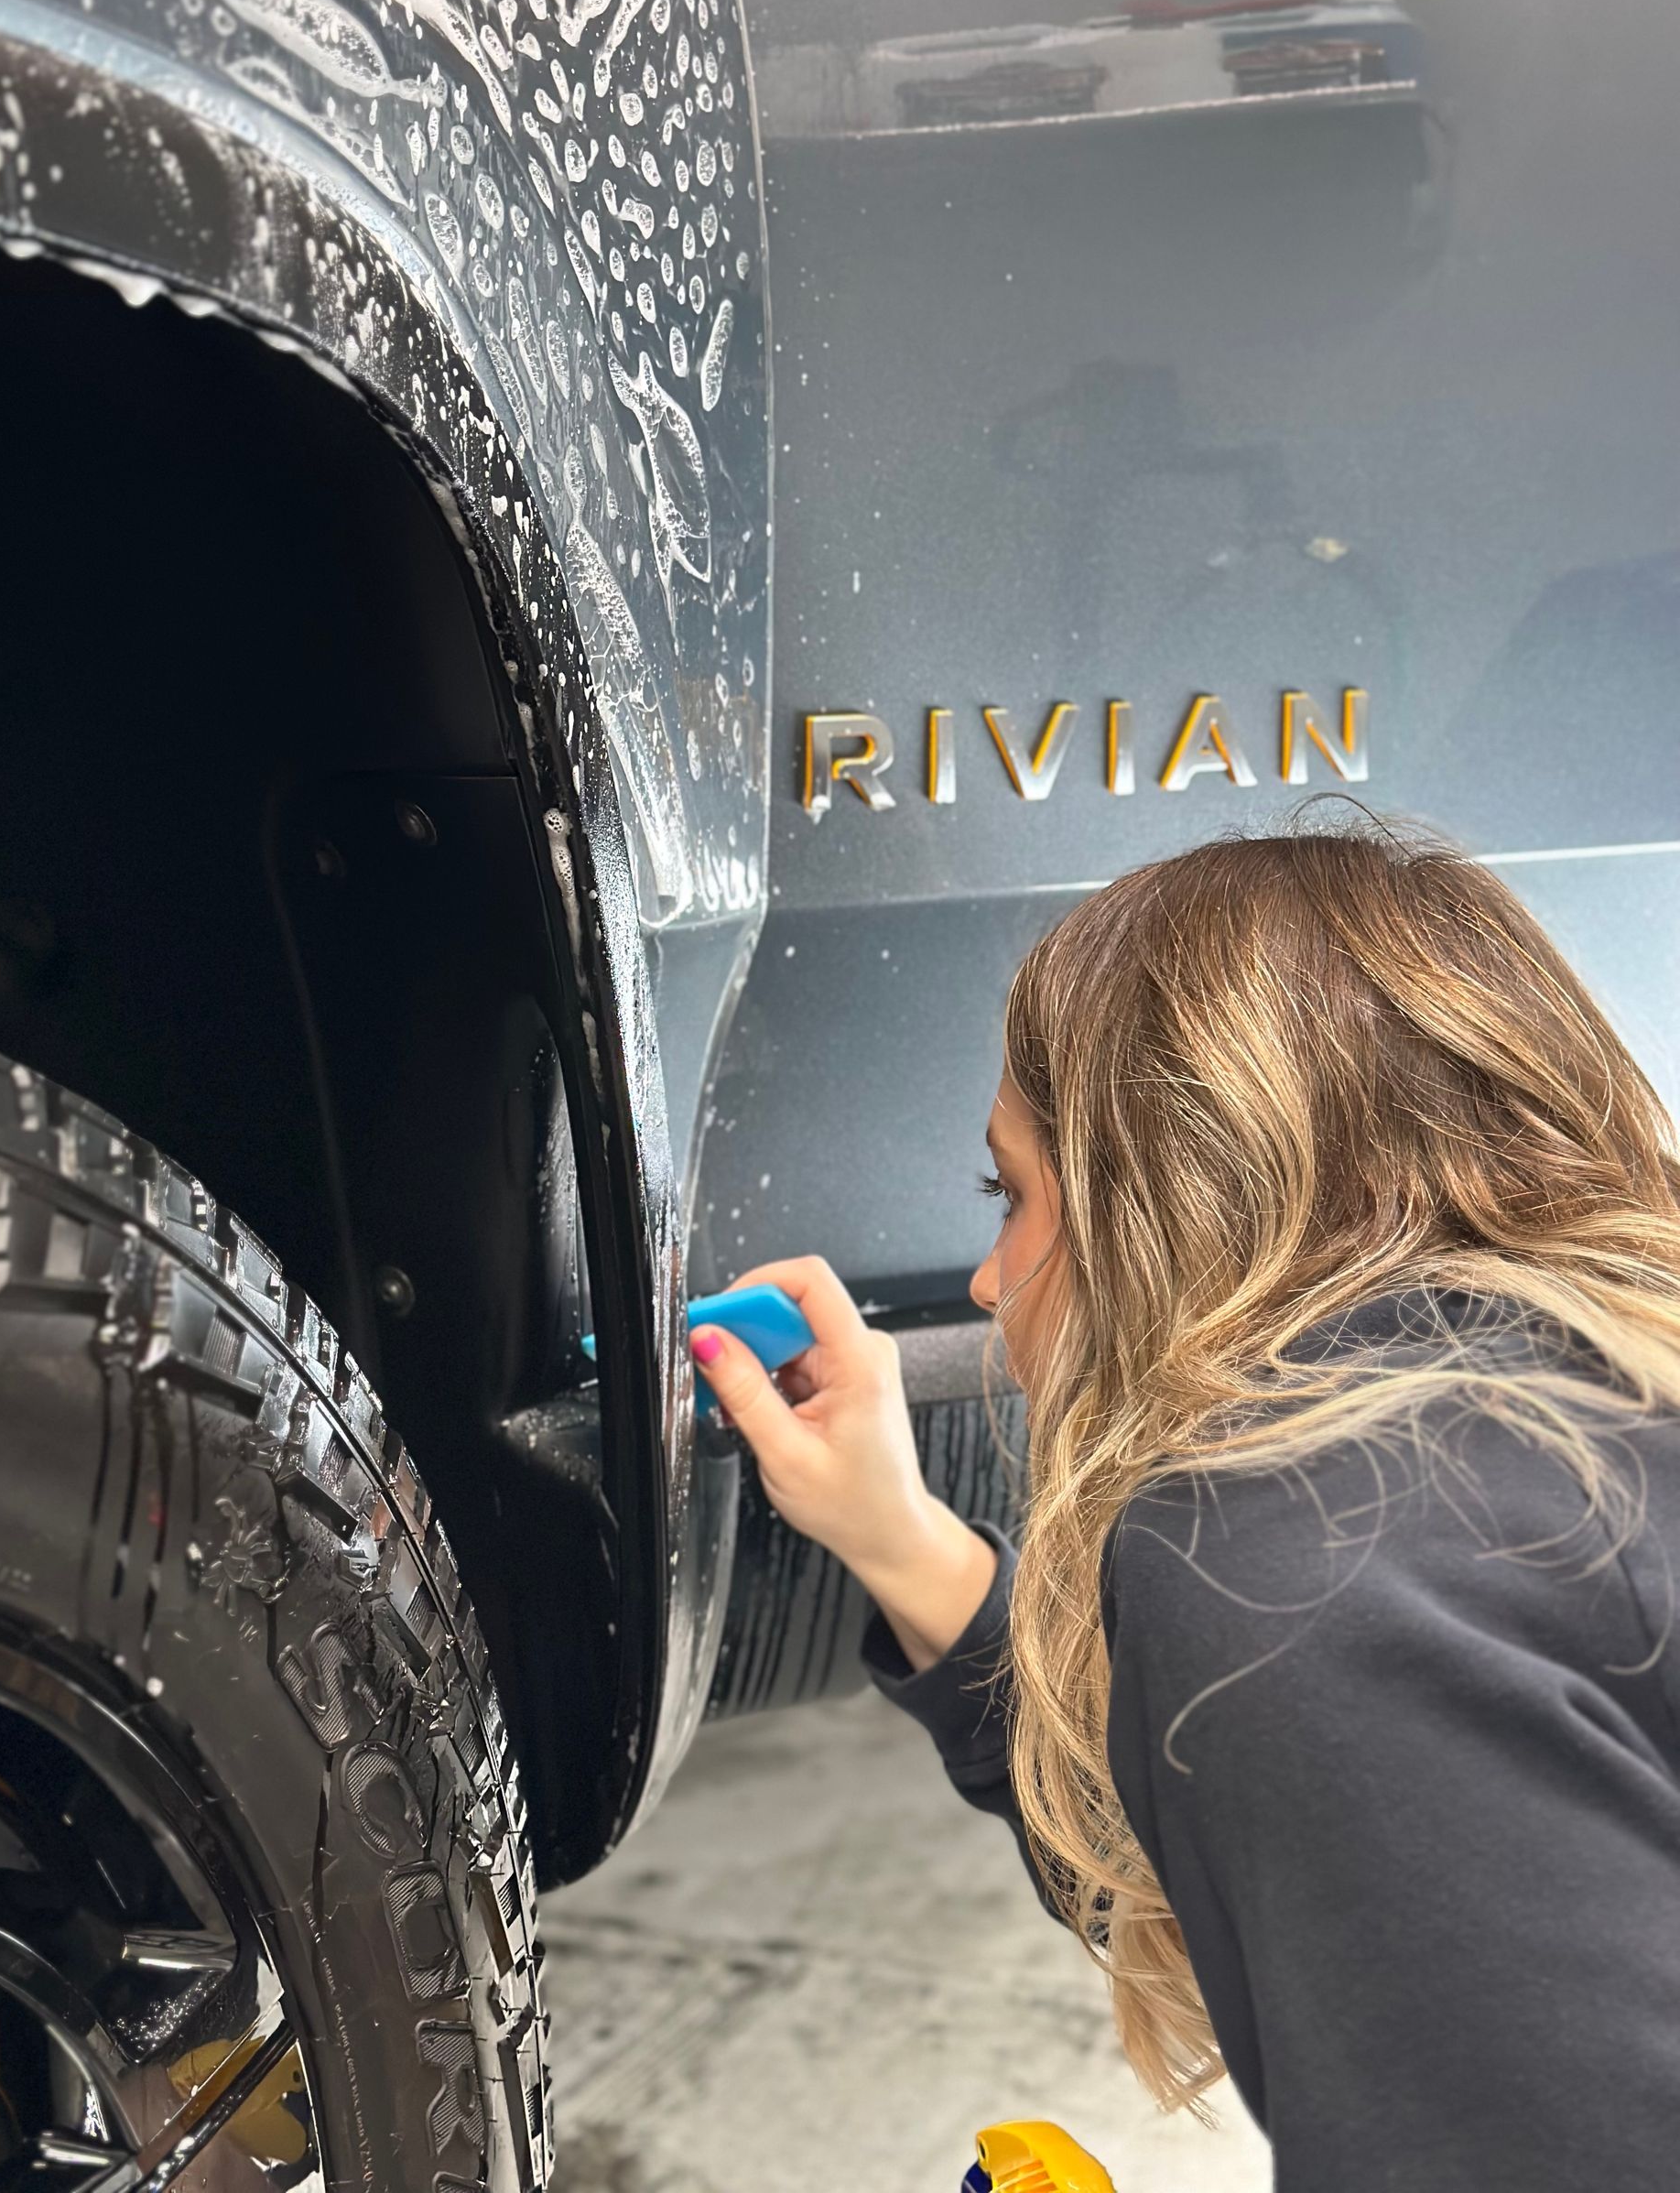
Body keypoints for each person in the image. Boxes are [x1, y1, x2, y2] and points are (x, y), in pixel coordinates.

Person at [689, 822, 1680, 2189]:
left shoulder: (1304, 1566)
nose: (988, 1284)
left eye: (1014, 1194)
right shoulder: (1559, 1434)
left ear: (1170, 1207)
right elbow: (1216, 1861)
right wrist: (894, 1533)